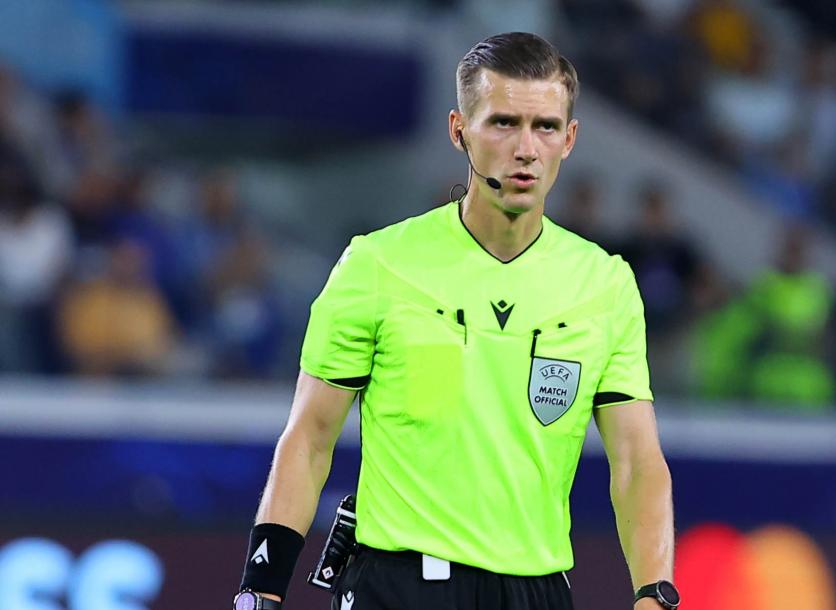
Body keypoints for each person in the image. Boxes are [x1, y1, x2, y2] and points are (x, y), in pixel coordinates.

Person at [233, 33, 677, 610]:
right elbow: (310, 439)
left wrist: (655, 594)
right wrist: (259, 591)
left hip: (536, 592)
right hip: (396, 588)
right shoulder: (378, 264)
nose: (526, 149)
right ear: (459, 130)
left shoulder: (604, 284)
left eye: (545, 127)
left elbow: (637, 462)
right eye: (503, 123)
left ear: (569, 139)